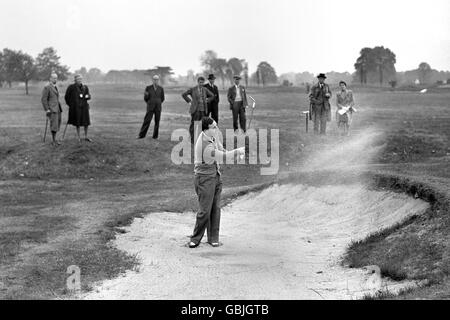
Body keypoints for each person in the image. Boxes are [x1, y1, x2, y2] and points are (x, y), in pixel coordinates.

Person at [189, 117, 245, 248]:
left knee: (215, 208)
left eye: (216, 126)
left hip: (215, 176)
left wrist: (237, 155)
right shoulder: (205, 146)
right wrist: (237, 151)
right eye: (214, 127)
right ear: (206, 129)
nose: (216, 129)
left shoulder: (213, 137)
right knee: (205, 211)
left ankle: (213, 238)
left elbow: (222, 150)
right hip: (204, 179)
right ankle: (195, 238)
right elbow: (223, 157)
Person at [182, 77, 214, 144]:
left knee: (202, 125)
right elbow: (184, 94)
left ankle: (200, 140)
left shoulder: (205, 89)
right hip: (195, 110)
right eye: (200, 82)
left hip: (203, 111)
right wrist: (190, 102)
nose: (201, 84)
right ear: (198, 82)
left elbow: (212, 95)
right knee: (193, 125)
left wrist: (207, 100)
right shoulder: (193, 89)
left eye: (202, 82)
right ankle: (192, 140)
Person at [64, 74, 92, 142]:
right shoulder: (71, 87)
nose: (80, 80)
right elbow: (66, 97)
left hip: (84, 107)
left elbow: (89, 96)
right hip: (76, 108)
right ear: (75, 80)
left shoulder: (85, 87)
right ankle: (78, 137)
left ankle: (86, 136)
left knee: (86, 122)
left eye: (80, 79)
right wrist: (71, 105)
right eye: (78, 79)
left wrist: (87, 96)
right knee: (77, 122)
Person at [138, 75, 165, 139]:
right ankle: (141, 135)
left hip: (158, 107)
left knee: (157, 122)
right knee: (147, 121)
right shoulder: (148, 88)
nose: (156, 81)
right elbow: (145, 98)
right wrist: (150, 102)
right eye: (154, 79)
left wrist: (158, 102)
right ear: (152, 80)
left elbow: (162, 98)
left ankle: (155, 136)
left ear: (158, 80)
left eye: (157, 79)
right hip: (150, 107)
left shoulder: (161, 88)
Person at [41, 73, 62, 146]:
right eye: (53, 78)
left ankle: (55, 140)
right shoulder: (47, 87)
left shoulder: (56, 86)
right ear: (50, 78)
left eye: (56, 78)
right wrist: (47, 109)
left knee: (57, 124)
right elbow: (44, 99)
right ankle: (53, 141)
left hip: (57, 108)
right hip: (52, 109)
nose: (55, 79)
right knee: (53, 125)